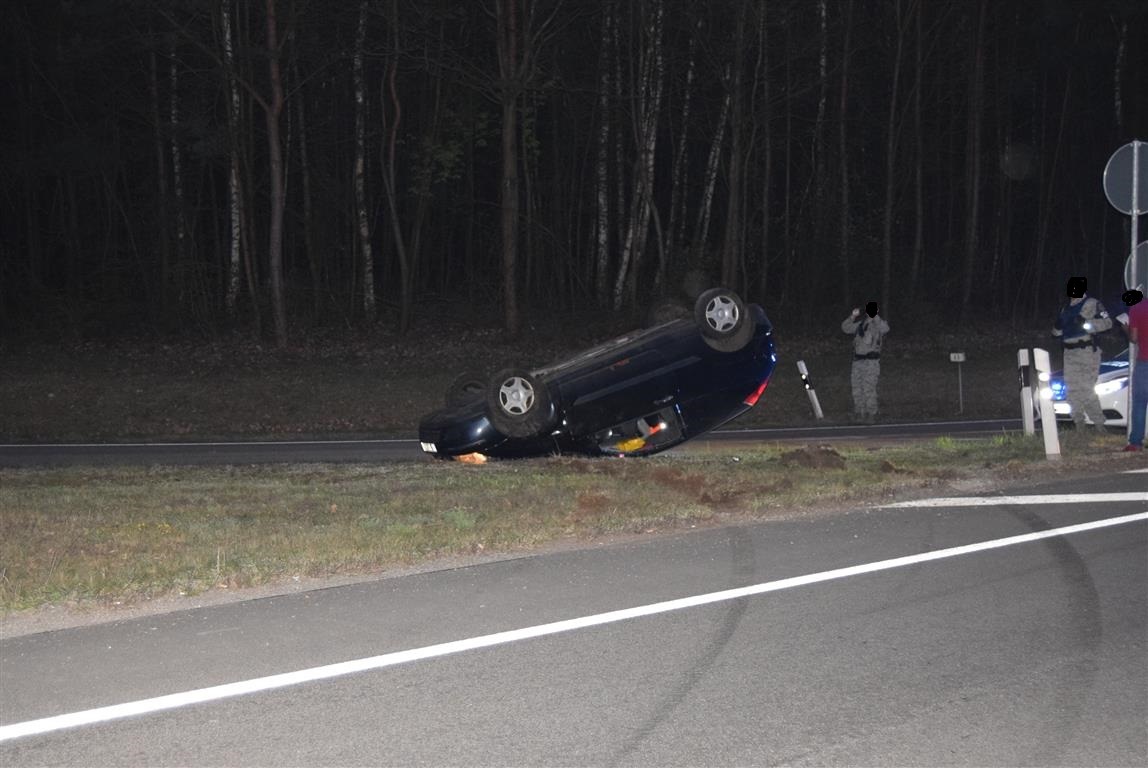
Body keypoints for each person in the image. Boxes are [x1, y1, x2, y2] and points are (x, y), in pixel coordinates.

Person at [1051, 276, 1112, 433]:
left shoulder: (1093, 304)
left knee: (1086, 389)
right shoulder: (1066, 309)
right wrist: (1057, 326)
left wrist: (1086, 325)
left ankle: (1099, 423)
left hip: (1086, 351)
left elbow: (1108, 323)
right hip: (1069, 353)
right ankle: (1079, 423)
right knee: (1072, 389)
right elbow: (1057, 333)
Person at [841, 301, 889, 423]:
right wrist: (853, 316)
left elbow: (885, 329)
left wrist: (875, 317)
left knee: (869, 387)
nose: (870, 311)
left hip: (871, 362)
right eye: (869, 309)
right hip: (858, 361)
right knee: (857, 387)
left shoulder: (878, 325)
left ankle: (871, 413)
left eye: (873, 309)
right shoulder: (861, 324)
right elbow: (845, 328)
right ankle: (859, 412)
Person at [1123, 289, 1147, 452]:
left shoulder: (1137, 308)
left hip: (1145, 361)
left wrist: (1126, 328)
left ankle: (1136, 442)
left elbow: (1134, 338)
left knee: (1139, 402)